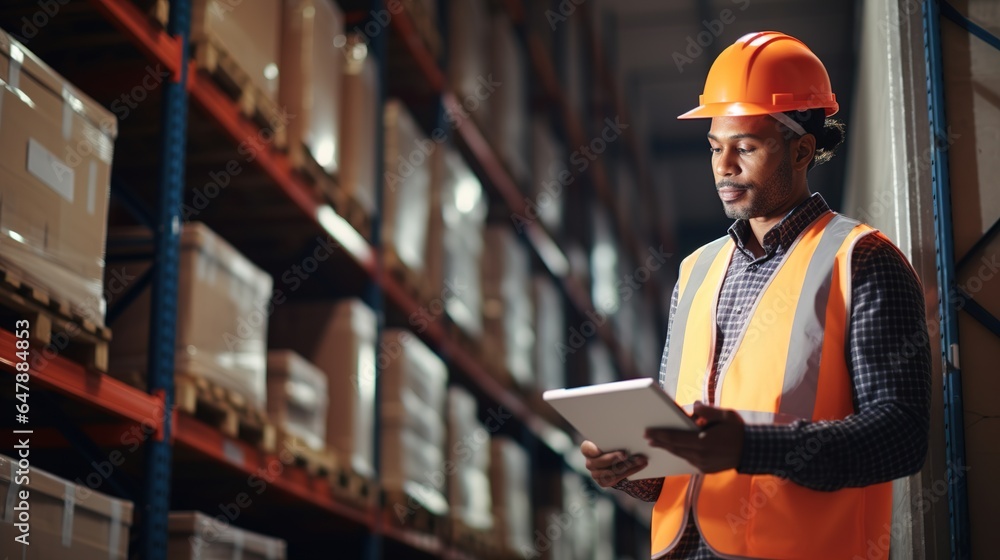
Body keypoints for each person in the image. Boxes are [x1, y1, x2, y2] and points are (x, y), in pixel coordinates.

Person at [580, 31, 931, 559]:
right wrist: (629, 468)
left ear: (802, 150)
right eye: (715, 148)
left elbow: (900, 436)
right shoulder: (696, 272)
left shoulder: (862, 261)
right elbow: (678, 455)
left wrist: (750, 446)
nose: (724, 166)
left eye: (745, 147)